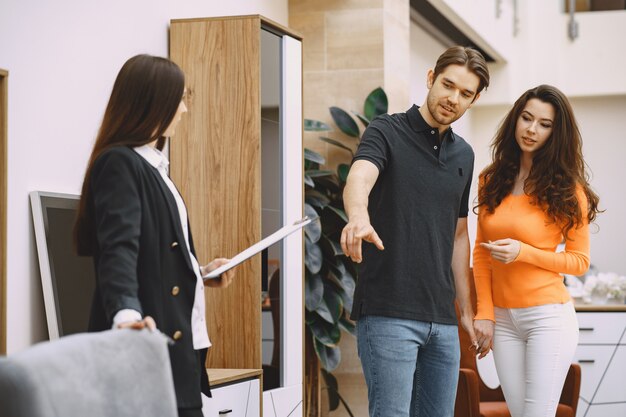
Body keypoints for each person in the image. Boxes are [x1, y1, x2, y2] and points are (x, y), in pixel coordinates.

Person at [74, 54, 234, 417]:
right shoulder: (120, 163)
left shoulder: (153, 167)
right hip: (147, 352)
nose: (183, 110)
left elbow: (158, 253)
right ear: (154, 103)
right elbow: (120, 248)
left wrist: (200, 271)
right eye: (179, 100)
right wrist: (125, 315)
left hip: (180, 354)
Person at [340, 46, 490, 417]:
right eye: (447, 85)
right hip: (389, 312)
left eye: (465, 93)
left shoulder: (464, 156)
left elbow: (458, 236)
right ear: (430, 78)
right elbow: (360, 175)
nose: (452, 99)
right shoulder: (386, 130)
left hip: (442, 318)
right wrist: (358, 215)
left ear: (474, 99)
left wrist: (466, 312)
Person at [472, 84, 600, 417]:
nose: (531, 129)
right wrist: (484, 314)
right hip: (502, 320)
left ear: (556, 133)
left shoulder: (568, 190)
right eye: (526, 118)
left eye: (544, 124)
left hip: (547, 317)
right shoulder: (491, 179)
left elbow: (579, 261)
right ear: (515, 119)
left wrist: (523, 253)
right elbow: (481, 254)